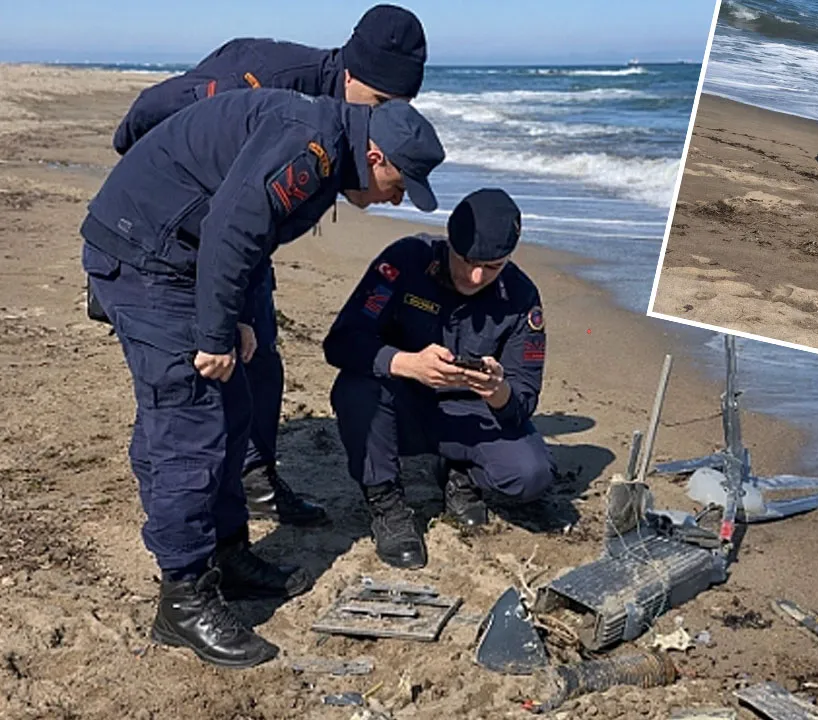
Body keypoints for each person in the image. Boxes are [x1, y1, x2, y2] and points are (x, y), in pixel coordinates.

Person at [81, 88, 445, 668]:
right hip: (144, 256)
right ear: (375, 158)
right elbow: (231, 226)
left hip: (180, 256)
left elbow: (254, 238)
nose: (393, 200)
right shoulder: (311, 147)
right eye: (399, 187)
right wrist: (213, 334)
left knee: (233, 410)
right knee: (188, 424)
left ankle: (227, 554)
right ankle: (183, 596)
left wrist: (243, 317)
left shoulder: (325, 144)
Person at [106, 4, 428, 527]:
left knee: (259, 351)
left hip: (241, 233)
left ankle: (255, 479)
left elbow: (255, 223)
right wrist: (136, 226)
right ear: (350, 75)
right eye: (379, 103)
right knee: (185, 368)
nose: (383, 119)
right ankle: (186, 487)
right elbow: (152, 114)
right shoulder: (258, 79)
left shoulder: (348, 127)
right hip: (171, 235)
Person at [323, 189, 554, 570]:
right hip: (401, 406)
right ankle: (386, 504)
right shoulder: (405, 262)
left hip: (469, 414)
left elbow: (524, 400)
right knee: (356, 388)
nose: (476, 276)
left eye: (493, 266)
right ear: (449, 241)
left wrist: (498, 390)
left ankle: (461, 475)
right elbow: (341, 343)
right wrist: (406, 363)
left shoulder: (521, 296)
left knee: (530, 475)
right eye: (467, 261)